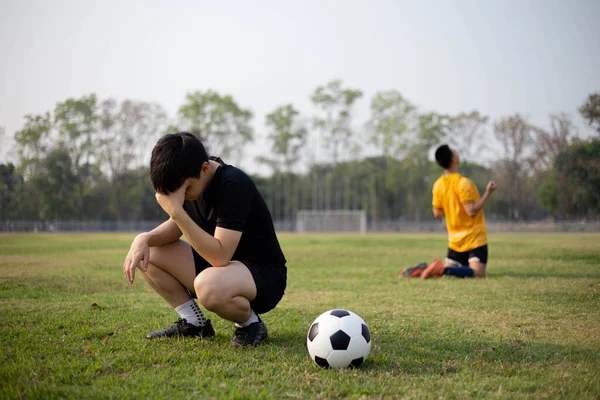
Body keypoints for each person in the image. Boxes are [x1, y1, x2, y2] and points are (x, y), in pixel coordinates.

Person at [122, 132, 287, 346]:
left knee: (207, 286)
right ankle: (194, 322)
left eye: (186, 191)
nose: (183, 198)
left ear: (204, 168)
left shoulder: (234, 184)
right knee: (149, 251)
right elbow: (177, 227)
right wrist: (144, 238)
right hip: (221, 271)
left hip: (263, 276)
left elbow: (220, 256)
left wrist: (177, 212)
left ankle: (250, 324)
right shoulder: (190, 179)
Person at [404, 144, 496, 279]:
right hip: (474, 238)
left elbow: (437, 213)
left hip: (454, 241)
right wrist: (488, 193)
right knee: (478, 273)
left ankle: (427, 270)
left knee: (451, 270)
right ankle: (442, 270)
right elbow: (471, 211)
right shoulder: (464, 183)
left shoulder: (438, 185)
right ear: (453, 160)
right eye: (454, 152)